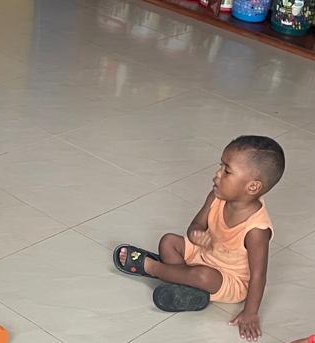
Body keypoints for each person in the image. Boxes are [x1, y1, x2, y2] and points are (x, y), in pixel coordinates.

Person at [113, 135, 284, 332]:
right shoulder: (216, 197)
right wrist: (196, 234)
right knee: (168, 241)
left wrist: (250, 313)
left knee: (202, 276)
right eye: (220, 166)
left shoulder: (256, 230)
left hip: (228, 280)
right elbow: (196, 225)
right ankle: (187, 285)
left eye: (227, 171)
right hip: (204, 255)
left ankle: (153, 268)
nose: (217, 175)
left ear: (252, 186)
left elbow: (258, 276)